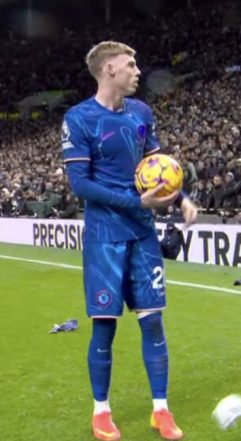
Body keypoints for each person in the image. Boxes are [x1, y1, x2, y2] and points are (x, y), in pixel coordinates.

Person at [61, 41, 196, 440]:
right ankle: (101, 411)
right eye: (130, 64)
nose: (138, 70)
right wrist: (136, 201)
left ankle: (161, 410)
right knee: (105, 327)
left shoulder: (141, 113)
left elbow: (159, 167)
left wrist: (183, 199)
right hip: (104, 237)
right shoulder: (79, 118)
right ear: (108, 70)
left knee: (153, 323)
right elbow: (80, 184)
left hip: (142, 235)